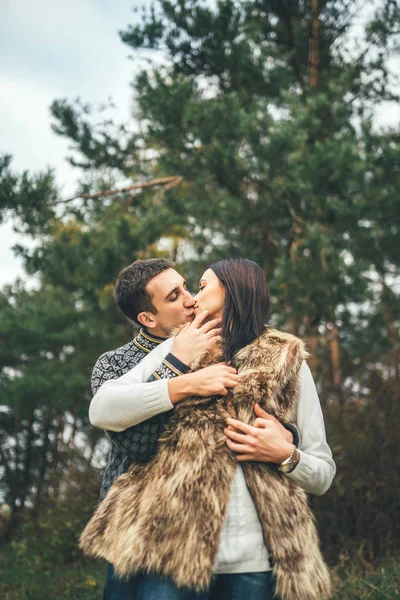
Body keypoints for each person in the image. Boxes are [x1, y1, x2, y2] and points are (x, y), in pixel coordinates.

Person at [82, 258, 335, 600]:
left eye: (198, 287)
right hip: (168, 545)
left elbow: (322, 471)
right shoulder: (180, 346)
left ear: (233, 293)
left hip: (255, 559)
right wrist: (181, 372)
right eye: (178, 295)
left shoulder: (287, 360)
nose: (191, 299)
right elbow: (104, 411)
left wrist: (286, 452)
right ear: (147, 317)